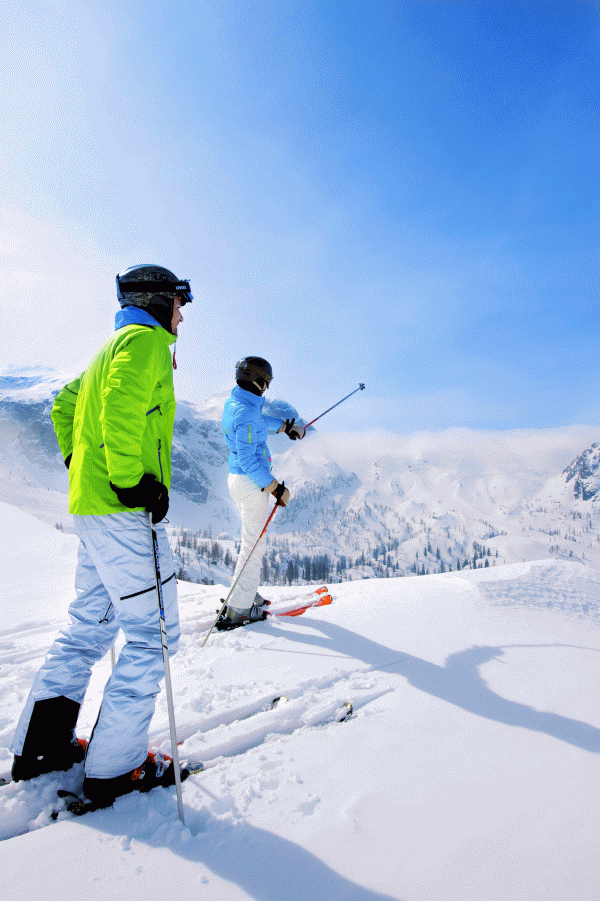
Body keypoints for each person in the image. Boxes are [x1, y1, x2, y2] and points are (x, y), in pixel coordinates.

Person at [10, 264, 193, 808]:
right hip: (120, 511)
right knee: (153, 634)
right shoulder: (146, 343)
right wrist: (132, 481)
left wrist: (80, 463)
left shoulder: (110, 348)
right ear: (158, 300)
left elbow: (64, 404)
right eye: (179, 302)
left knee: (88, 629)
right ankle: (116, 768)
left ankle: (40, 748)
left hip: (91, 510)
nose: (182, 315)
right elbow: (118, 409)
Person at [219, 356, 305, 629]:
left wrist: (284, 427)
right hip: (250, 481)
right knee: (254, 545)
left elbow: (258, 420)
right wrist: (276, 487)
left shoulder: (238, 403)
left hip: (239, 480)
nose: (267, 386)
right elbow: (248, 459)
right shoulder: (245, 411)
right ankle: (239, 610)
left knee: (251, 541)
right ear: (261, 381)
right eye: (267, 381)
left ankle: (245, 591)